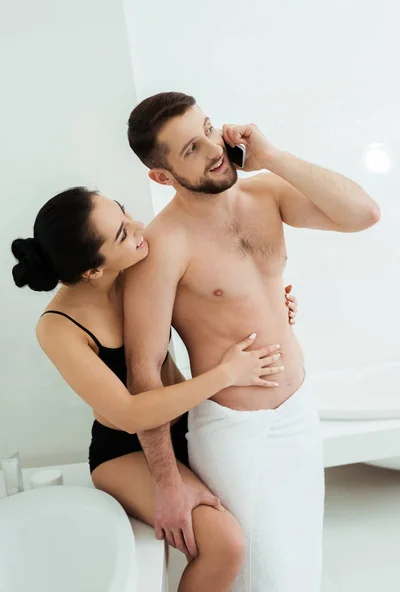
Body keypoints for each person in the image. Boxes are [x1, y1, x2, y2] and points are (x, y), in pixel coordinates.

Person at [125, 92, 380, 592]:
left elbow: (363, 213)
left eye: (208, 129)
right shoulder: (164, 246)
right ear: (161, 176)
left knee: (302, 561)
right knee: (262, 577)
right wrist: (168, 484)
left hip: (298, 408)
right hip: (236, 430)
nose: (213, 150)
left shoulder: (267, 193)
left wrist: (273, 157)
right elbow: (143, 372)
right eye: (189, 151)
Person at [11, 186, 298, 592]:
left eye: (124, 213)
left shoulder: (140, 269)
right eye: (122, 234)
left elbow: (217, 300)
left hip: (188, 425)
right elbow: (129, 414)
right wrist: (226, 374)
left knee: (266, 520)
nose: (140, 226)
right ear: (93, 270)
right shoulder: (58, 327)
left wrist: (273, 307)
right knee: (225, 544)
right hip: (124, 450)